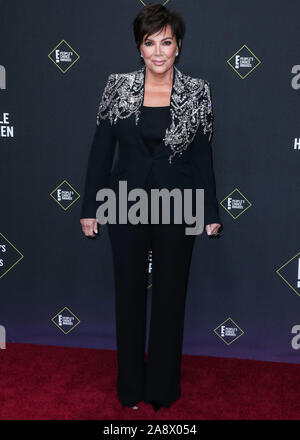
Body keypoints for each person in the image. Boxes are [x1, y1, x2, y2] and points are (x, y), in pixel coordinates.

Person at [80, 3, 222, 412]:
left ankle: (162, 388)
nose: (158, 51)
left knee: (170, 299)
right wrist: (90, 208)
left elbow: (201, 159)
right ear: (139, 48)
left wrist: (209, 212)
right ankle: (129, 389)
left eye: (166, 42)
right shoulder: (117, 86)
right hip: (124, 205)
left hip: (178, 207)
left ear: (178, 46)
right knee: (128, 297)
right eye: (149, 43)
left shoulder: (198, 91)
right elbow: (100, 152)